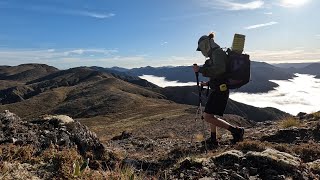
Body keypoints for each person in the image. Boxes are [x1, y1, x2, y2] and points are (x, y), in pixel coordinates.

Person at [193, 33, 244, 146]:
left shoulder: (217, 53)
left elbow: (220, 70)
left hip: (220, 90)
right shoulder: (215, 54)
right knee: (211, 116)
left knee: (207, 117)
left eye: (201, 48)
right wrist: (208, 83)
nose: (202, 51)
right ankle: (213, 138)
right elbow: (220, 75)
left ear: (206, 45)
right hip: (218, 89)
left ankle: (236, 131)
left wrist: (200, 70)